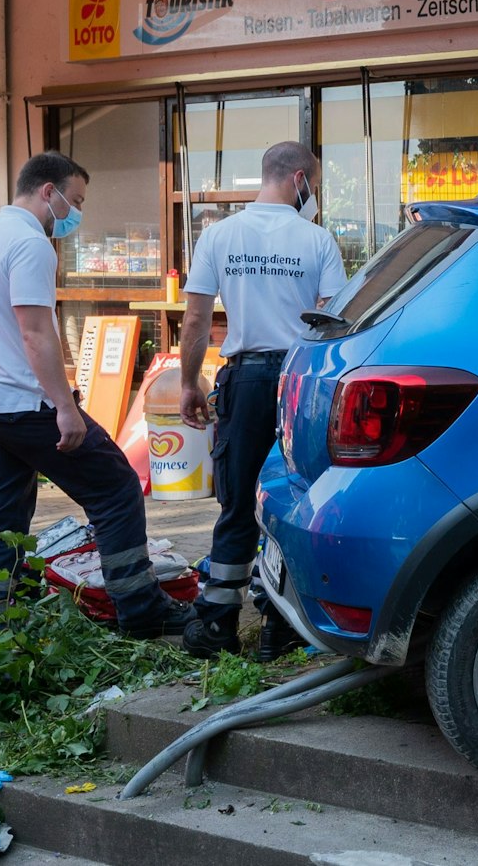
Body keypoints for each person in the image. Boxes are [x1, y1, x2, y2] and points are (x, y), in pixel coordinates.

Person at [0, 151, 192, 637]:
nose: (74, 212)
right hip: (24, 403)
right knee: (116, 488)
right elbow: (36, 332)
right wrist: (66, 407)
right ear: (48, 191)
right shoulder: (30, 244)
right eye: (74, 200)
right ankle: (141, 611)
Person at [178, 142, 345, 658]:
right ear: (299, 178)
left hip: (245, 381)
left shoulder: (219, 236)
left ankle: (217, 624)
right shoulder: (317, 240)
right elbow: (334, 322)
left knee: (237, 500)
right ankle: (281, 624)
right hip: (300, 380)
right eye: (311, 184)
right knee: (294, 498)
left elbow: (197, 321)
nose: (311, 193)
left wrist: (189, 383)